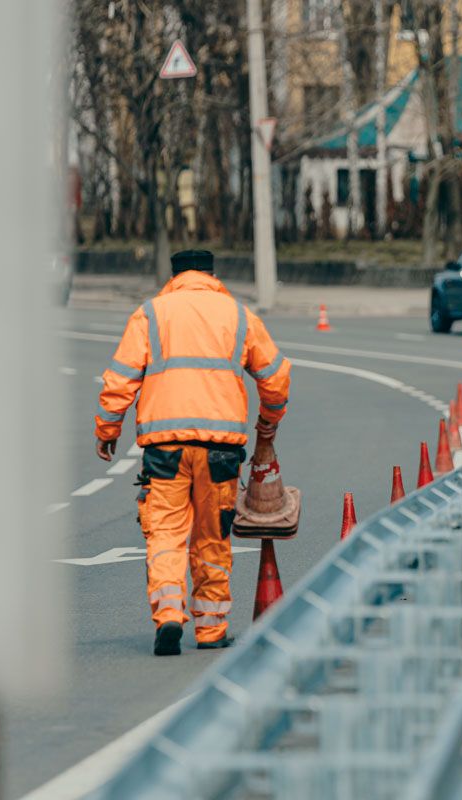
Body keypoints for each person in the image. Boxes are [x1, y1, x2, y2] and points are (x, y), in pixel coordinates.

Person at [94, 249, 291, 657]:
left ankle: (168, 615)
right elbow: (275, 376)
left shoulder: (150, 314)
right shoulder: (238, 315)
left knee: (165, 533)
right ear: (211, 274)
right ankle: (210, 629)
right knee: (211, 537)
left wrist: (108, 429)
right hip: (221, 451)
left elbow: (121, 378)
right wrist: (268, 422)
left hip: (164, 448)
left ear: (175, 274)